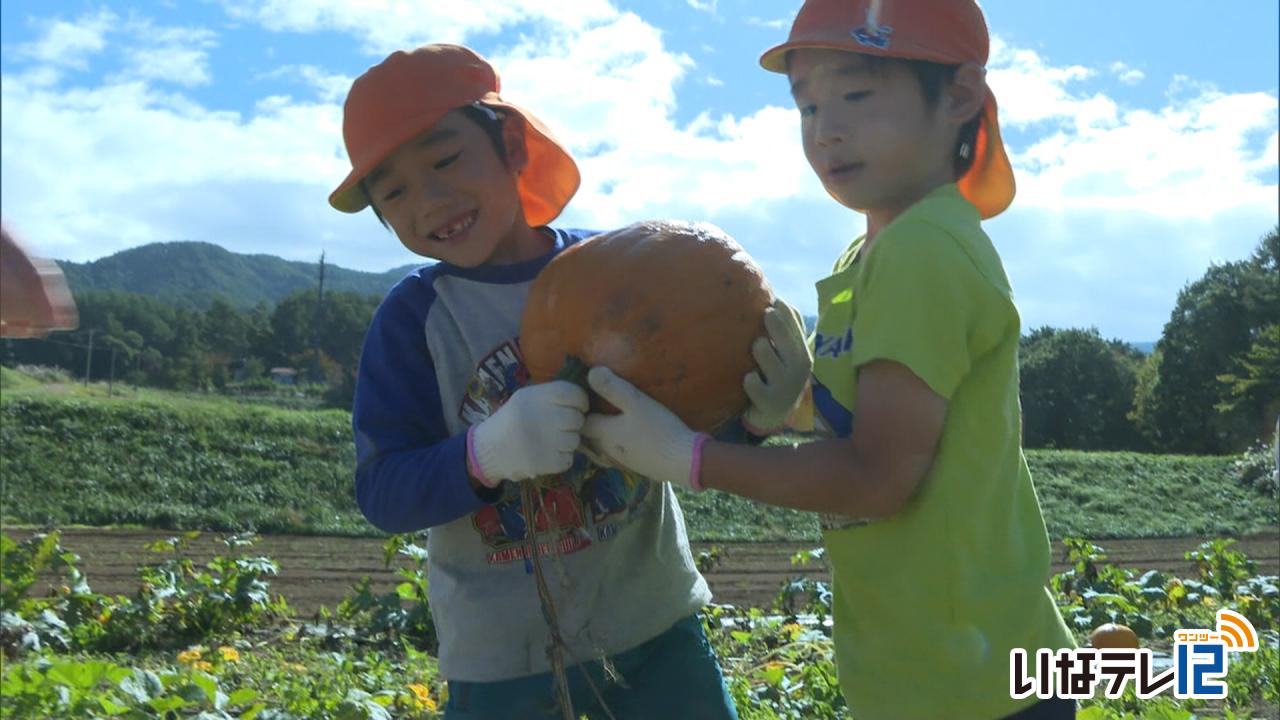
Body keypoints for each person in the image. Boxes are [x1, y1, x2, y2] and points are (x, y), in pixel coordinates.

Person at [578, 1, 1078, 718]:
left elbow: (877, 477)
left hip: (974, 683)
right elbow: (872, 416)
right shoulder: (870, 252)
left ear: (960, 97)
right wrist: (799, 402)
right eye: (808, 106)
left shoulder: (923, 252)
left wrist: (690, 459)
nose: (826, 129)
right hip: (925, 666)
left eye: (857, 95)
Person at [331, 43, 806, 720]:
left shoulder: (620, 271)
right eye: (395, 189)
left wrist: (756, 419)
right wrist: (484, 454)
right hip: (503, 662)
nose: (430, 200)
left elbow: (688, 426)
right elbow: (383, 491)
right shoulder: (414, 323)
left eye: (444, 160)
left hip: (656, 630)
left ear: (513, 145)